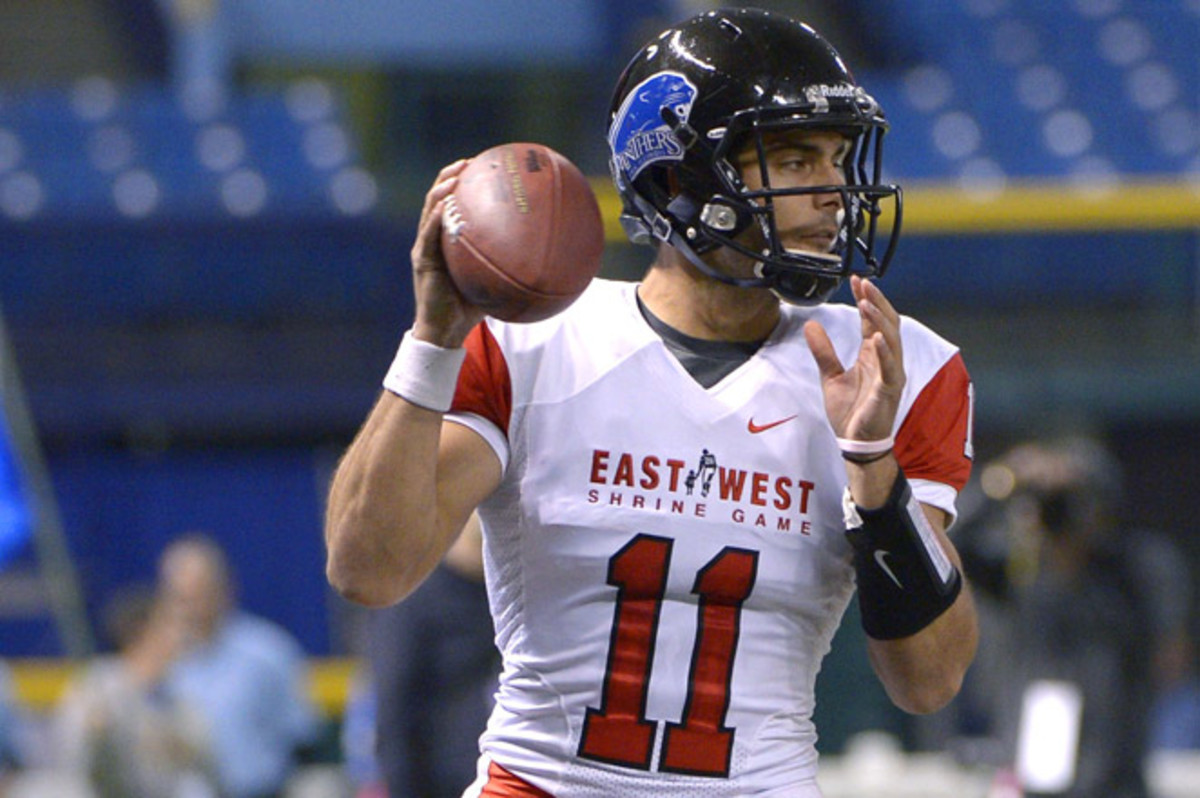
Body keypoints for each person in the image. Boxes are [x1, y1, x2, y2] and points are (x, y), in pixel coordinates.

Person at [325, 8, 978, 796]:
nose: (833, 192)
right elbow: (369, 569)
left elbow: (930, 680)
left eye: (837, 159)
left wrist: (874, 472)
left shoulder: (891, 366)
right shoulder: (532, 344)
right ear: (679, 179)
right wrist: (432, 342)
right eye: (796, 156)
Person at [945, 435, 1192, 797]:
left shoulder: (1132, 572)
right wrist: (1003, 480)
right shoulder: (1018, 576)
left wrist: (1077, 482)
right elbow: (949, 546)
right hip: (1034, 775)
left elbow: (1169, 649)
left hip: (1114, 776)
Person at [158, 533, 321, 798]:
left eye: (198, 594)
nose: (190, 608)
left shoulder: (267, 652)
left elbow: (302, 738)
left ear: (224, 588)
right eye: (180, 597)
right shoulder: (161, 665)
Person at [52, 584, 215, 798]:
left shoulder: (178, 694)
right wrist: (95, 735)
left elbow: (203, 757)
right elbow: (72, 763)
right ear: (144, 631)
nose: (182, 634)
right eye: (171, 624)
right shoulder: (97, 686)